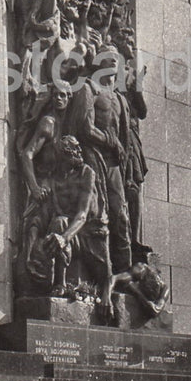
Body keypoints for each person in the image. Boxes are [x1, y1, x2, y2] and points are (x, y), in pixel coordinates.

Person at [67, 42, 132, 275]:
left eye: (116, 56)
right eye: (107, 55)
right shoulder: (88, 88)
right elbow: (84, 127)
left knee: (121, 215)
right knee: (98, 214)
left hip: (114, 164)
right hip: (92, 156)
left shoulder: (121, 100)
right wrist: (109, 141)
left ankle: (124, 272)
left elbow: (125, 140)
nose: (113, 59)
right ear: (98, 62)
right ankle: (97, 274)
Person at [42, 135, 113, 317]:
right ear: (62, 156)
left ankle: (106, 296)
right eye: (74, 150)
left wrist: (63, 238)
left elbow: (82, 214)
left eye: (78, 148)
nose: (80, 152)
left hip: (92, 232)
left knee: (105, 274)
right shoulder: (53, 180)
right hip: (69, 232)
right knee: (59, 222)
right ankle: (59, 284)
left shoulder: (87, 173)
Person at [18, 81, 72, 281]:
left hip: (61, 189)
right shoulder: (48, 123)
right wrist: (34, 187)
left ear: (69, 98)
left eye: (63, 96)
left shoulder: (69, 125)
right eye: (56, 95)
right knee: (35, 227)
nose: (59, 99)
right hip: (44, 186)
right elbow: (27, 154)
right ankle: (32, 271)